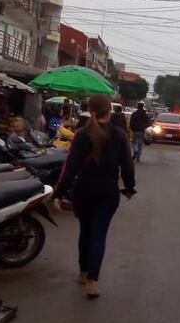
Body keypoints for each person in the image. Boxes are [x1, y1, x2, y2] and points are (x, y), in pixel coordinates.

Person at [53, 93, 135, 298]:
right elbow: (127, 166)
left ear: (90, 110)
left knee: (86, 232)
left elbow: (70, 167)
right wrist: (129, 187)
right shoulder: (119, 135)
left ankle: (83, 271)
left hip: (84, 191)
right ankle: (93, 281)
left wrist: (58, 193)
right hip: (108, 192)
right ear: (109, 111)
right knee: (99, 235)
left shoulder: (81, 135)